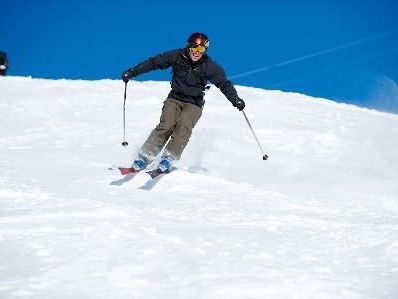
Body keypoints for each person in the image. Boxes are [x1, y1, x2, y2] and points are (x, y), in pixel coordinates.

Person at [121, 32, 245, 173]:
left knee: (184, 125)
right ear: (188, 47)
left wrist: (235, 99)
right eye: (195, 49)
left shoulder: (209, 66)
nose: (197, 53)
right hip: (174, 98)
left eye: (202, 50)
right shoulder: (176, 56)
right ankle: (145, 156)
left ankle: (169, 157)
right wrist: (133, 72)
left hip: (194, 103)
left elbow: (224, 83)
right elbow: (154, 62)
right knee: (166, 125)